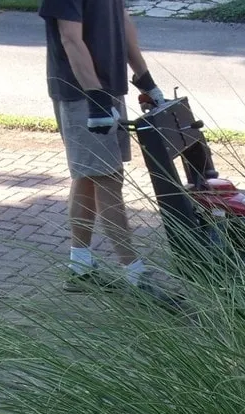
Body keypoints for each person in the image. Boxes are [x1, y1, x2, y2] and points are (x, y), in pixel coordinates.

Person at [38, 0, 173, 301]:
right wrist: (96, 97)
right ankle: (136, 276)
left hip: (108, 90)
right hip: (81, 94)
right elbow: (70, 37)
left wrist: (145, 80)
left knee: (88, 176)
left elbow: (123, 23)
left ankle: (80, 266)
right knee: (108, 178)